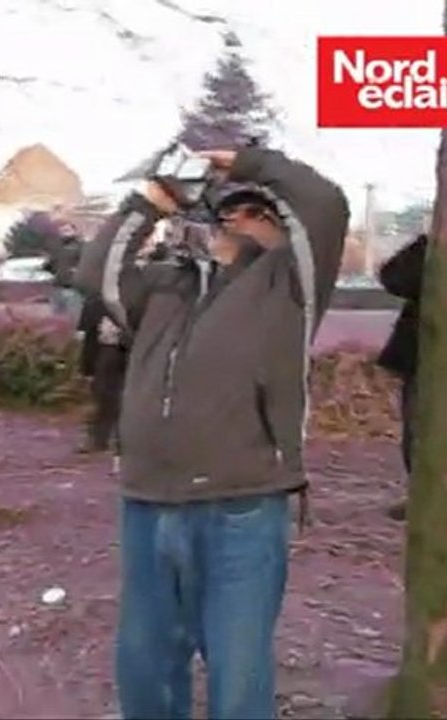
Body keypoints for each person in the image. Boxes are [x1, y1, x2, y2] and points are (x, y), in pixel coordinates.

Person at [75, 145, 349, 719]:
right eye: (229, 210)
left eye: (257, 213)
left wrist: (245, 162)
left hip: (241, 506)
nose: (238, 220)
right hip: (149, 500)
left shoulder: (290, 288)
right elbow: (94, 274)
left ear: (280, 229)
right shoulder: (165, 287)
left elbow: (325, 203)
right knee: (145, 663)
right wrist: (152, 200)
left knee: (237, 669)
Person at [377, 233, 427, 521]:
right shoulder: (432, 248)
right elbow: (392, 278)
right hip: (424, 356)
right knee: (417, 429)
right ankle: (422, 495)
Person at [77, 293, 129, 455]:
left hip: (132, 351)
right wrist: (87, 368)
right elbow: (89, 338)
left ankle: (121, 440)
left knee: (126, 397)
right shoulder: (95, 303)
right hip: (105, 352)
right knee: (102, 395)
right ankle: (99, 439)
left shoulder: (137, 298)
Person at [45, 221, 83, 317]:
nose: (65, 233)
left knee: (72, 315)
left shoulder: (81, 247)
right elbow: (50, 264)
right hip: (57, 287)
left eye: (67, 230)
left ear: (74, 231)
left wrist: (75, 272)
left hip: (73, 288)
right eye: (62, 231)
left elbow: (86, 264)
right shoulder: (57, 247)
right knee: (56, 316)